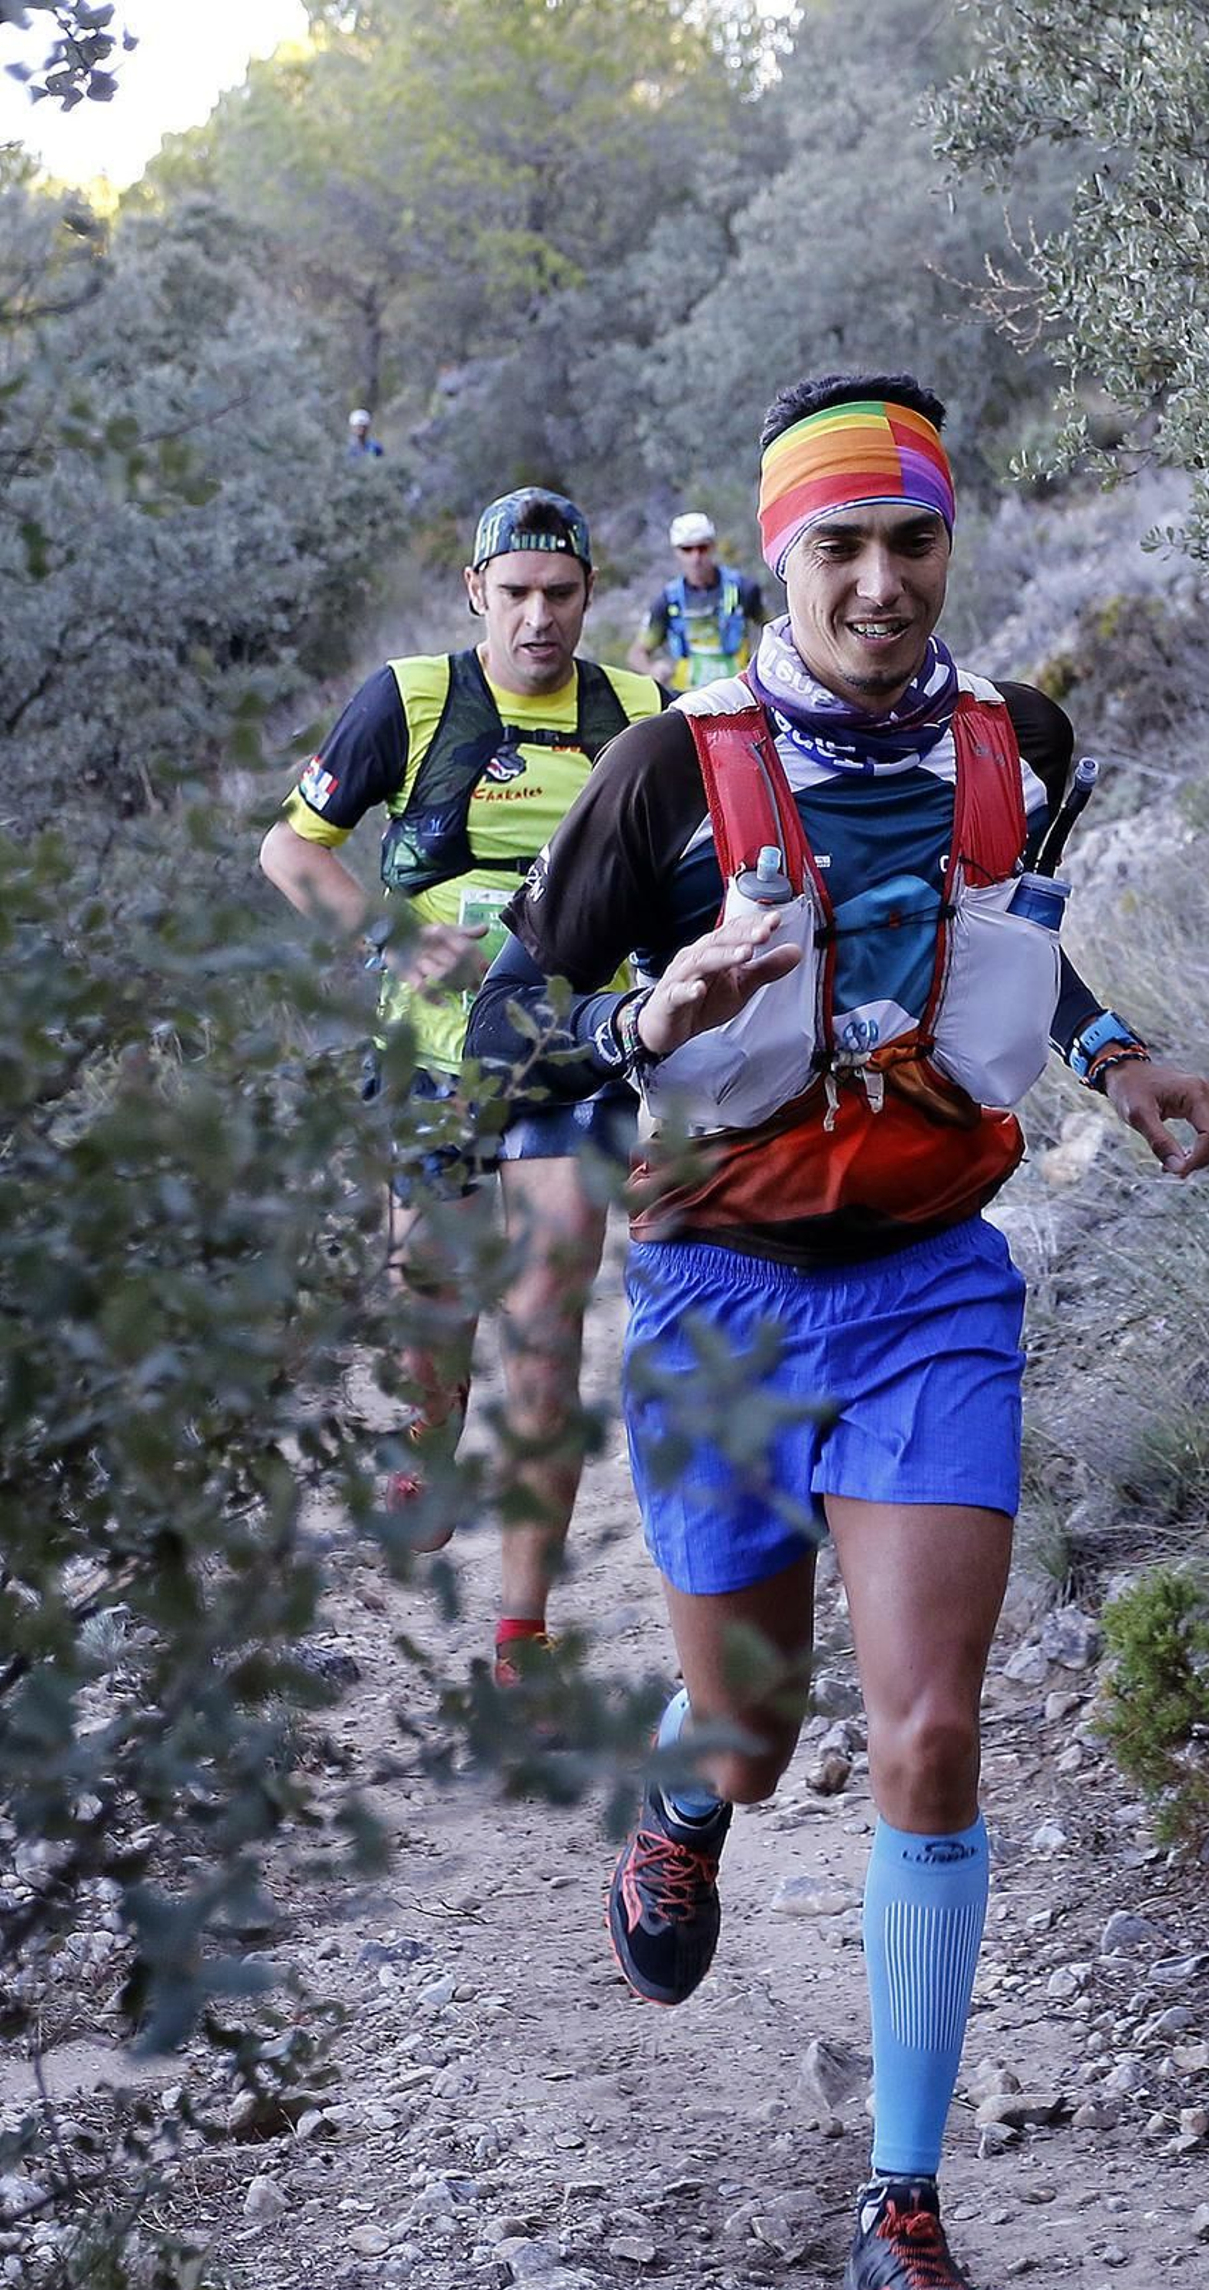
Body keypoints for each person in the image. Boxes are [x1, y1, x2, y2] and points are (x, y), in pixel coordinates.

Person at [467, 376, 1209, 2290]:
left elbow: (992, 948)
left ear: (945, 550)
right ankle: (683, 1798)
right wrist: (657, 1003)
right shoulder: (659, 779)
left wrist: (1114, 1052)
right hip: (717, 1289)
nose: (880, 585)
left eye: (912, 544)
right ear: (769, 559)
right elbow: (507, 1034)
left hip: (921, 1284)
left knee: (927, 1726)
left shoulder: (1020, 746)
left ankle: (898, 2225)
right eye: (839, 549)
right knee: (751, 1708)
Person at [260, 487, 661, 1688]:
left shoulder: (638, 716)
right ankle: (428, 1444)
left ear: (590, 598)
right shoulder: (410, 699)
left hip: (569, 1059)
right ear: (477, 592)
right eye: (518, 592)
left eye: (563, 593)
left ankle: (520, 1637)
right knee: (432, 1306)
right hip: (432, 1058)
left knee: (543, 1335)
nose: (540, 617)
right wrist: (394, 935)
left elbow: (687, 883)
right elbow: (292, 849)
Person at [627, 509, 766, 692]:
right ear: (677, 552)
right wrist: (653, 670)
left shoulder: (743, 590)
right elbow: (637, 653)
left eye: (702, 548)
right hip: (687, 699)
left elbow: (774, 630)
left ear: (713, 547)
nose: (696, 557)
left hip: (738, 694)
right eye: (687, 549)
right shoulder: (668, 601)